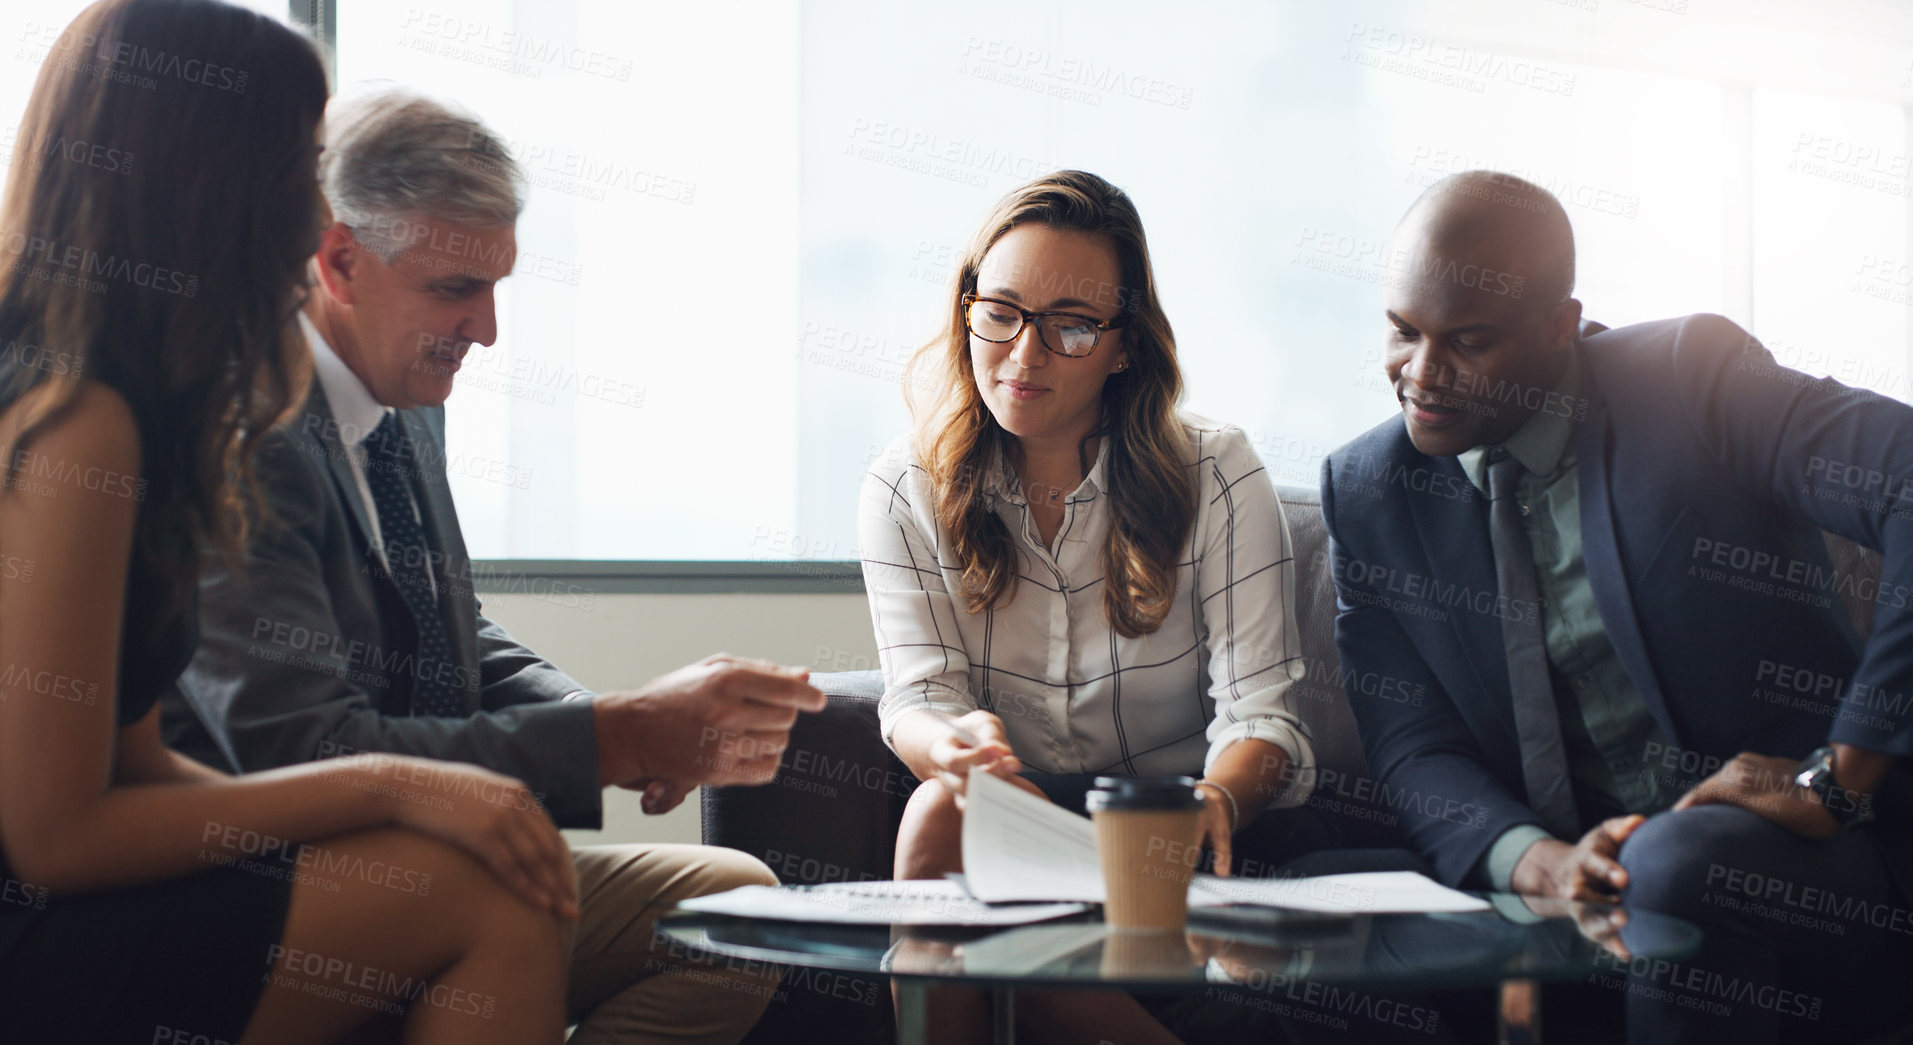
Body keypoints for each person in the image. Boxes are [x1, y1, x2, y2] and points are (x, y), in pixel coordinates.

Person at [160, 85, 827, 1044]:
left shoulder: (404, 394)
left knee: (740, 907)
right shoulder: (245, 428)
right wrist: (610, 738)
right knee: (499, 897)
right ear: (340, 259)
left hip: (417, 848)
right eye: (454, 290)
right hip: (269, 883)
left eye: (497, 286)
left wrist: (617, 721)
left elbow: (448, 627)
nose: (488, 330)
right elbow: (296, 748)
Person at [0, 2, 584, 1042]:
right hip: (31, 931)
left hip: (69, 903)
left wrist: (422, 795)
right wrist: (397, 781)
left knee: (472, 865)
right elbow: (52, 836)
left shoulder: (138, 399)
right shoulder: (76, 421)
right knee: (489, 898)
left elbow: (133, 766)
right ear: (213, 174)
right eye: (306, 156)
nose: (321, 202)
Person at [1320, 169, 1913, 1043]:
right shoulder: (1368, 490)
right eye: (1403, 332)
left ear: (1561, 325)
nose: (1423, 374)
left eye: (1469, 341)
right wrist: (1538, 862)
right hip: (1565, 882)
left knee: (1672, 863)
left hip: (1800, 871)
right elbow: (1414, 744)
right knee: (1306, 905)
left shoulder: (1692, 379)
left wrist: (1837, 776)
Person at [860, 169, 1321, 1044]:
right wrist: (956, 749)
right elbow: (918, 698)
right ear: (966, 309)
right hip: (1020, 819)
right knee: (938, 808)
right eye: (1000, 312)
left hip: (1178, 831)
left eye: (1070, 326)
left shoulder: (1217, 472)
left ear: (1124, 345)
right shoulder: (905, 482)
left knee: (969, 861)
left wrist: (1211, 804)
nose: (1024, 356)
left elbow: (1262, 714)